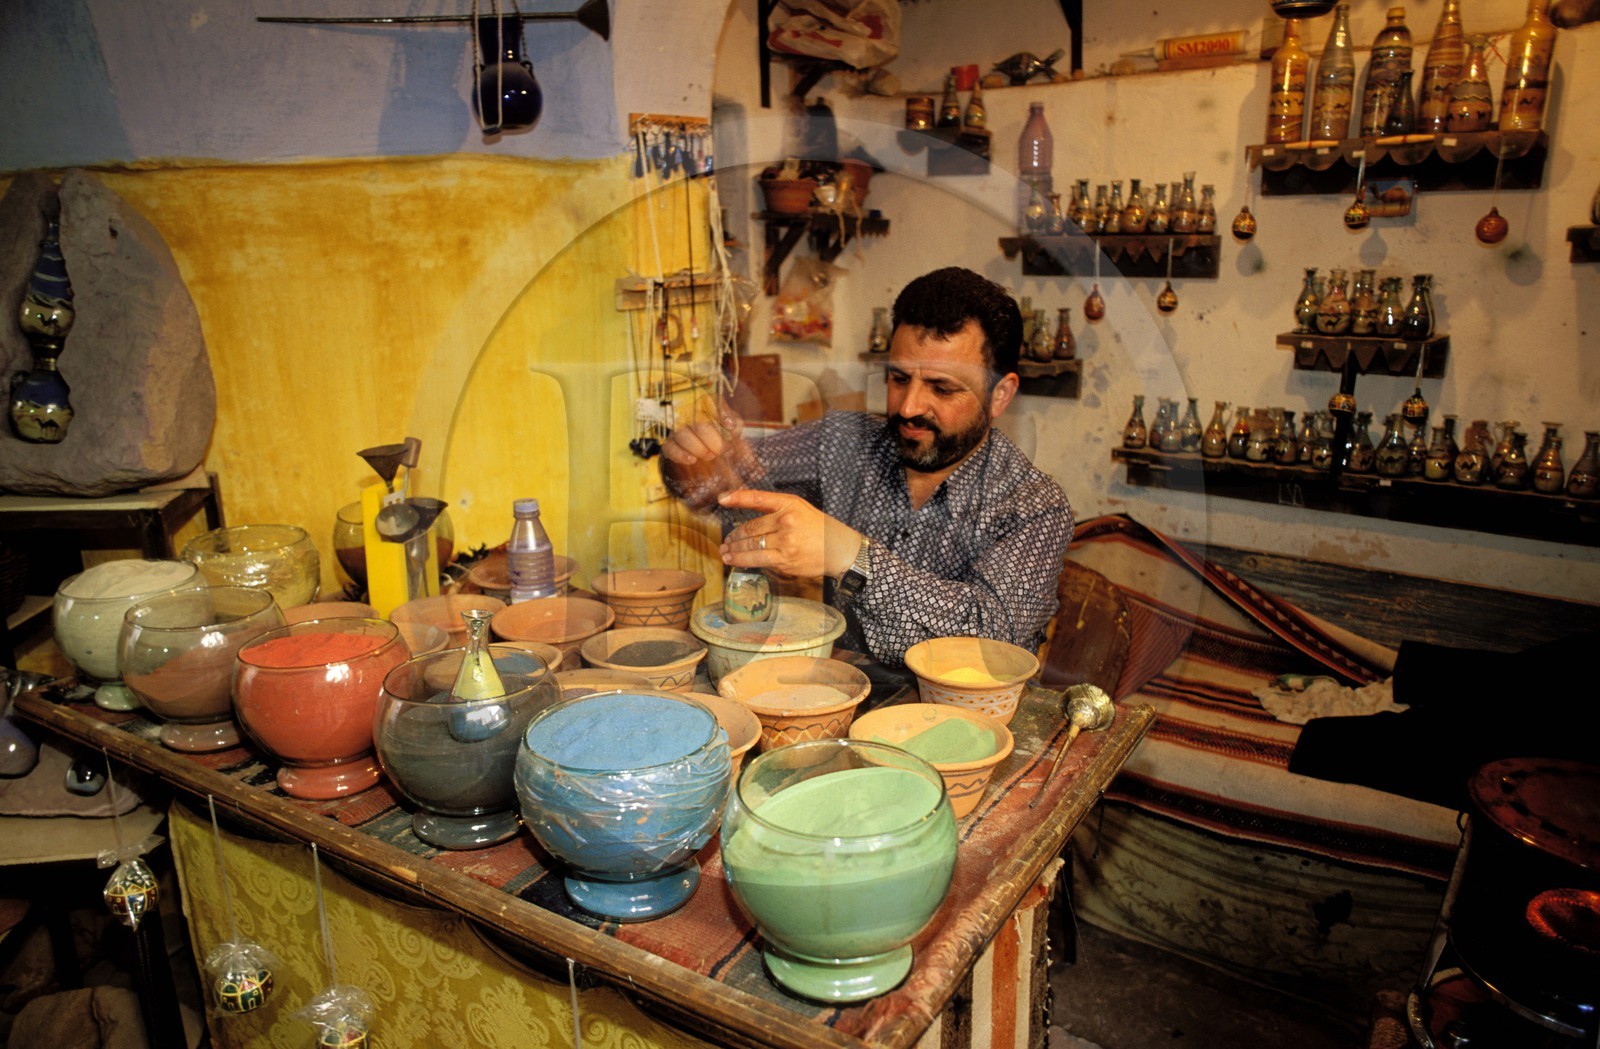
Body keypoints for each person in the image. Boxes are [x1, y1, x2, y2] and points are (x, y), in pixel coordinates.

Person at [660, 266, 1074, 666]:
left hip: (967, 722)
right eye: (898, 379)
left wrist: (849, 556)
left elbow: (993, 641)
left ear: (1000, 395)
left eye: (942, 387)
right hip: (842, 693)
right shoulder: (845, 443)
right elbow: (731, 480)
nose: (909, 407)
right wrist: (693, 463)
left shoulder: (1035, 506)